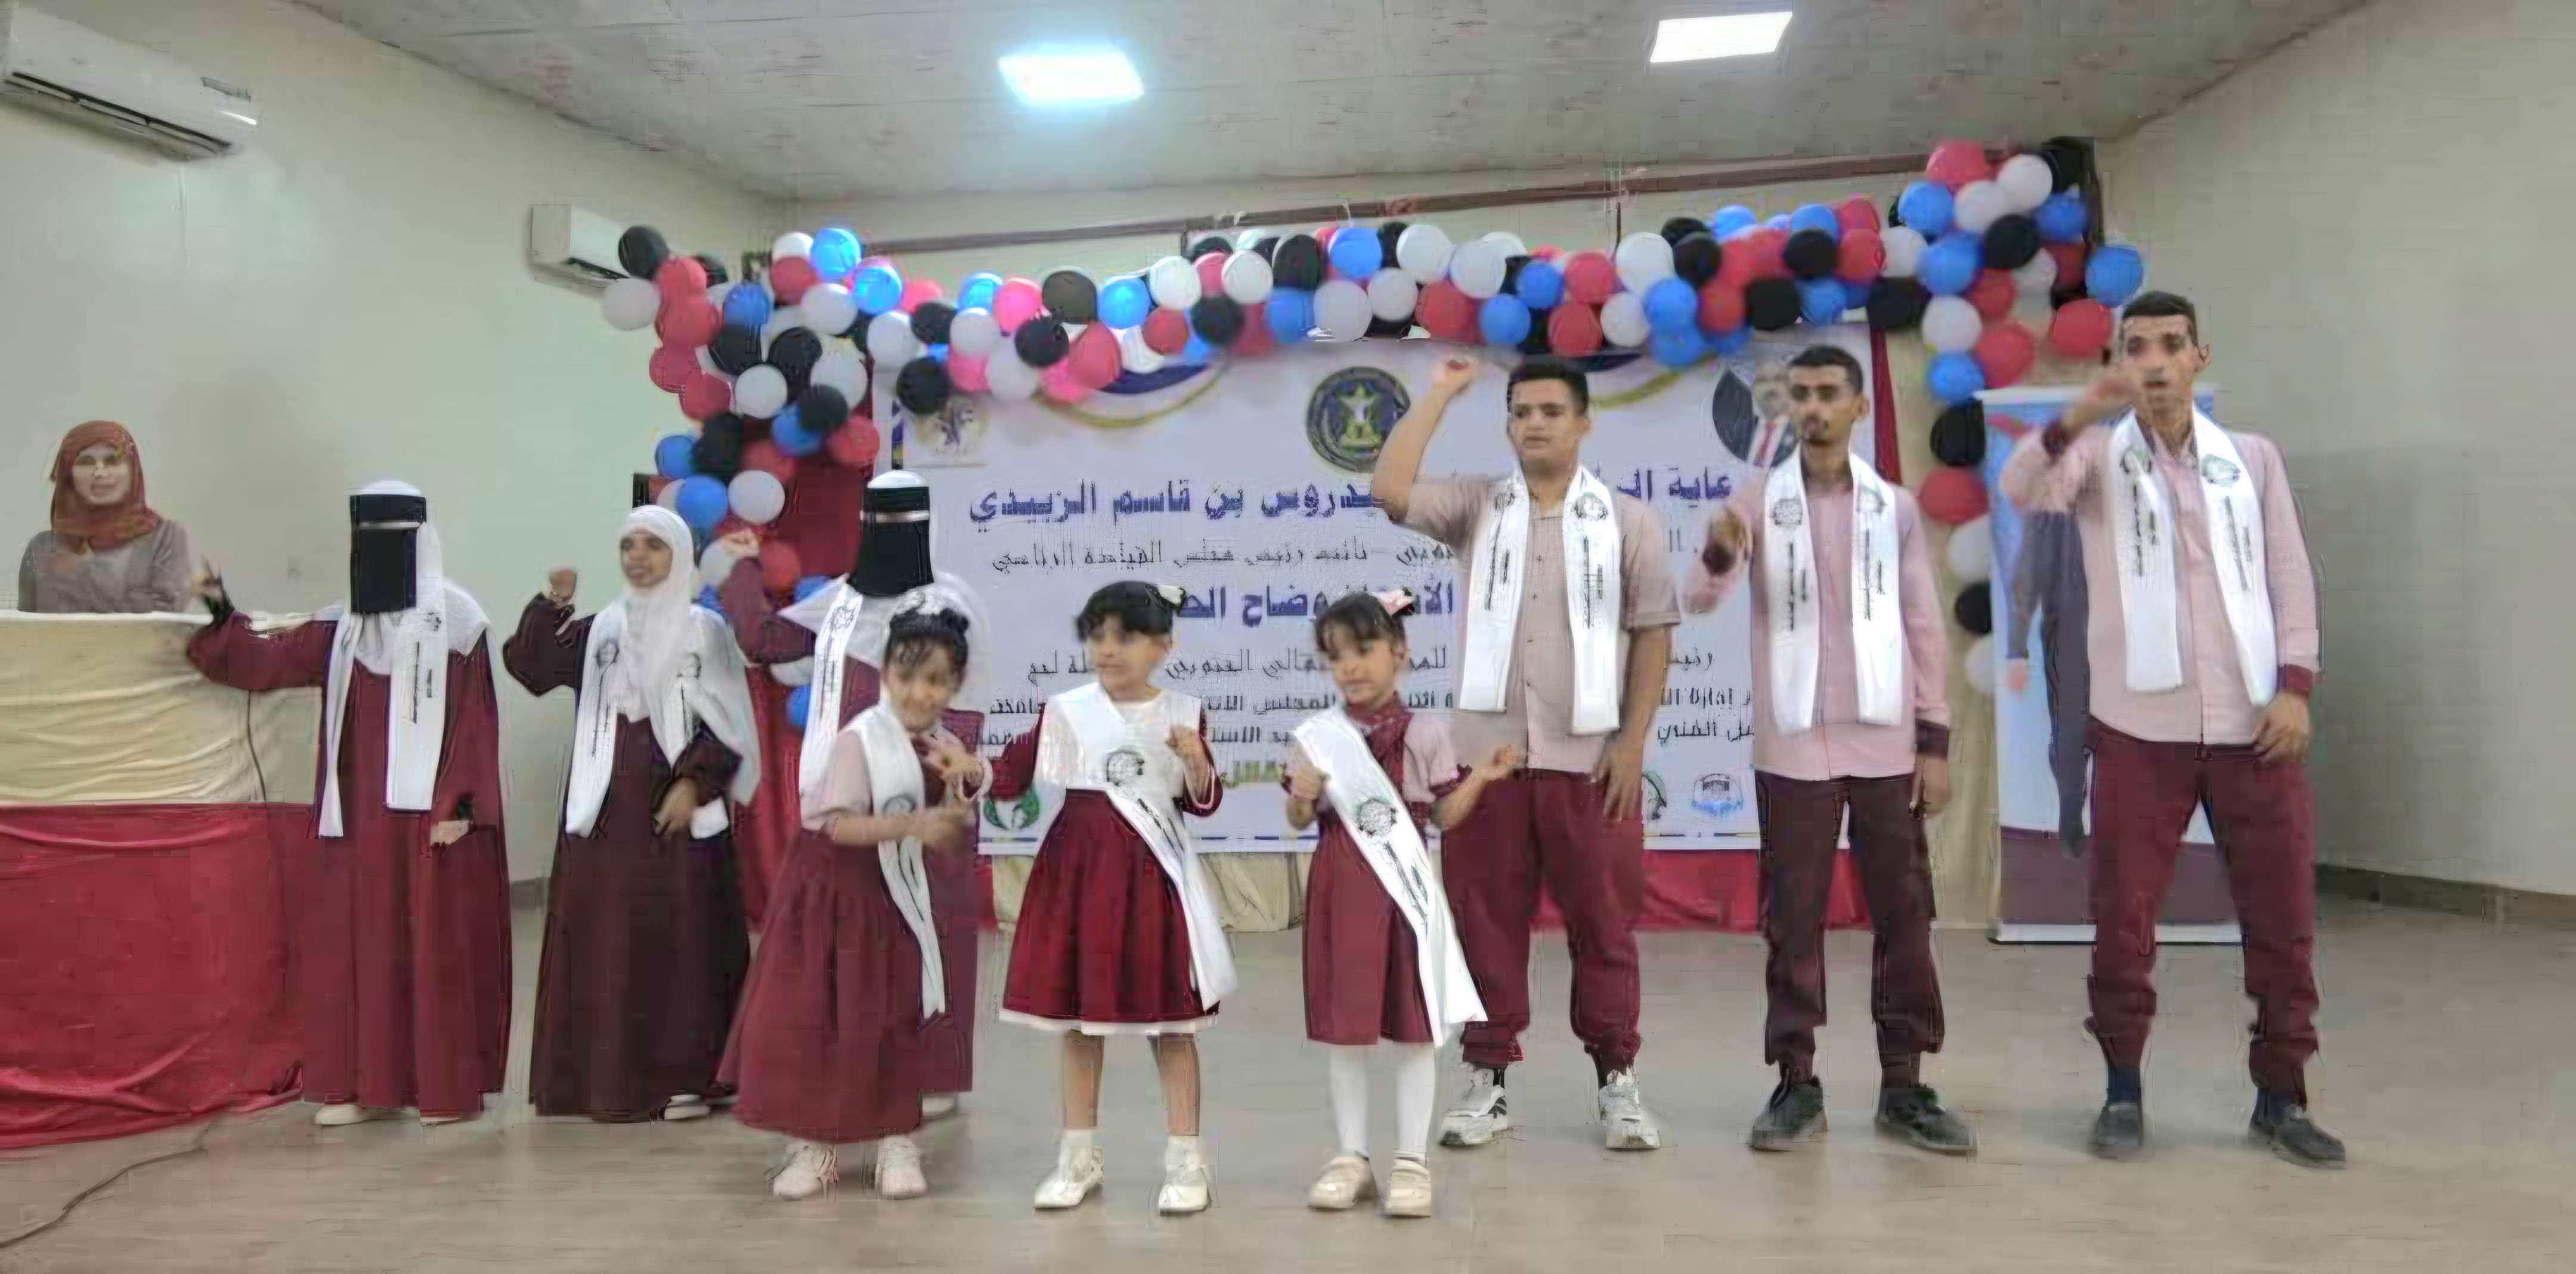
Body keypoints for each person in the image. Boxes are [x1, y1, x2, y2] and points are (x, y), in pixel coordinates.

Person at [1998, 290, 2341, 1169]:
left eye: (2170, 345)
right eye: (2137, 347)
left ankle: (2282, 1095)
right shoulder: (2093, 460)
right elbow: (2021, 485)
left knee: (2282, 919)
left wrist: (2295, 686)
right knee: (2123, 919)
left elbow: (2290, 577)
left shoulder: (2251, 460)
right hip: (2137, 729)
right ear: (2120, 362)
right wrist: (2082, 412)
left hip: (2253, 723)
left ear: (2199, 358)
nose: (2153, 362)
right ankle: (2123, 1089)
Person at [1371, 354, 1682, 1152]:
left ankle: (1617, 1079)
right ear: (1507, 425)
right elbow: (1390, 490)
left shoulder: (1629, 521)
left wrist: (1632, 741)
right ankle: (1487, 1079)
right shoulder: (1478, 505)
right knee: (1485, 922)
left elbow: (1653, 633)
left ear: (1584, 423)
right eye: (1521, 412)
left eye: (1551, 410)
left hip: (1592, 762)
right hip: (1489, 761)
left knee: (1604, 925)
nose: (1535, 423)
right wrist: (1440, 393)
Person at [1686, 344, 1971, 1157]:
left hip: (1886, 744)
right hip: (1794, 746)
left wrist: (1934, 740)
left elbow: (1922, 626)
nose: (1813, 408)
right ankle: (1795, 1081)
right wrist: (1719, 548)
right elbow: (1699, 598)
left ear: (1859, 409)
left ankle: (1905, 1083)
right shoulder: (1754, 500)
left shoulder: (1895, 508)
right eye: (1801, 395)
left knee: (1905, 913)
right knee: (1794, 917)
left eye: (1827, 394)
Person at [185, 481, 510, 1126]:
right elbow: (265, 664)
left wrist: (463, 808)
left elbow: (476, 722)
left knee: (432, 946)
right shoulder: (342, 628)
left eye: (389, 539)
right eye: (366, 539)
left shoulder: (458, 621)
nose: (376, 552)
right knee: (360, 945)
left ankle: (443, 1088)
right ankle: (366, 1086)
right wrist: (221, 607)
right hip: (357, 816)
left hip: (431, 818)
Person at [718, 469, 987, 1120]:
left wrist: (946, 782)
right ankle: (847, 1067)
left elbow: (962, 705)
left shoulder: (950, 604)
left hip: (921, 793)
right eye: (878, 521)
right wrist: (744, 572)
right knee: (844, 942)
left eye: (902, 522)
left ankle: (929, 1073)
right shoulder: (840, 599)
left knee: (926, 934)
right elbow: (766, 641)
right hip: (844, 796)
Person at [502, 506, 758, 1124]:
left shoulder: (705, 632)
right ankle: (598, 1079)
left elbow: (730, 722)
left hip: (677, 809)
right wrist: (551, 604)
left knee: (681, 939)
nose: (638, 557)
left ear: (679, 555)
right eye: (628, 545)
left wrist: (695, 783)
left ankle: (688, 1079)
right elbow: (533, 668)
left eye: (653, 546)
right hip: (605, 809)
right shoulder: (601, 629)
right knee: (607, 937)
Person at [989, 582, 1233, 1214]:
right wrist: (969, 772)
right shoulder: (1066, 711)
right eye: (1098, 635)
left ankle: (1187, 1163)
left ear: (1163, 645)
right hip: (1078, 879)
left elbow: (1203, 800)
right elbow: (1008, 777)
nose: (1108, 649)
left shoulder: (1185, 713)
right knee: (1079, 1022)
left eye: (1126, 637)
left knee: (1171, 1024)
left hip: (1152, 884)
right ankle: (1078, 1158)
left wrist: (1197, 761)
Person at [1284, 589, 1516, 1219]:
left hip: (1405, 893)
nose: (1351, 667)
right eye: (1337, 656)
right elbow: (1299, 818)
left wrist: (1482, 778)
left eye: (1364, 650)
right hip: (1340, 890)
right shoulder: (1318, 738)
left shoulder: (1427, 732)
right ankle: (1351, 1158)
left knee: (1415, 1028)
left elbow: (1442, 815)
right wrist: (1302, 796)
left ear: (1400, 652)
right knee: (1346, 1029)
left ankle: (1411, 1161)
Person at [17, 420, 192, 613]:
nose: (100, 472)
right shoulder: (41, 548)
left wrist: (82, 569)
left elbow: (164, 620)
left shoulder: (165, 538)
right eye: (86, 462)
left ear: (133, 471)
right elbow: (26, 626)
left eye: (113, 461)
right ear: (68, 474)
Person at [2006, 508, 2092, 854]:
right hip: (2068, 637)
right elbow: (2027, 574)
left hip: (2122, 640)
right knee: (2070, 736)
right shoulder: (2050, 503)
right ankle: (2070, 810)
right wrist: (2016, 648)